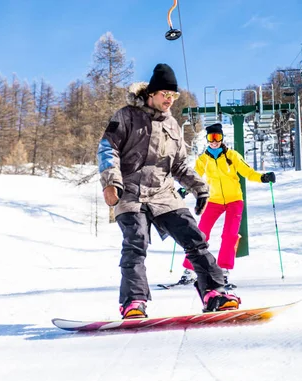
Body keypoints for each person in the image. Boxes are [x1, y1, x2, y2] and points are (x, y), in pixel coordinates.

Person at [97, 63, 241, 319]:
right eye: (165, 94)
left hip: (164, 195)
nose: (170, 100)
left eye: (173, 96)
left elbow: (180, 165)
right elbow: (108, 148)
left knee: (194, 238)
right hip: (130, 193)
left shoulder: (173, 125)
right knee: (135, 243)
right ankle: (133, 302)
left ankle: (214, 293)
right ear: (151, 93)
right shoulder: (126, 115)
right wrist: (111, 182)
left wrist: (199, 187)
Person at [179, 123, 276, 288]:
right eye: (211, 138)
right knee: (200, 234)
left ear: (222, 138)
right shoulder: (203, 160)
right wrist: (184, 189)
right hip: (214, 200)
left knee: (230, 235)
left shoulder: (232, 156)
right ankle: (190, 270)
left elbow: (247, 172)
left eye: (217, 138)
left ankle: (223, 271)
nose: (214, 141)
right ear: (207, 139)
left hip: (234, 200)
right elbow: (195, 178)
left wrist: (263, 177)